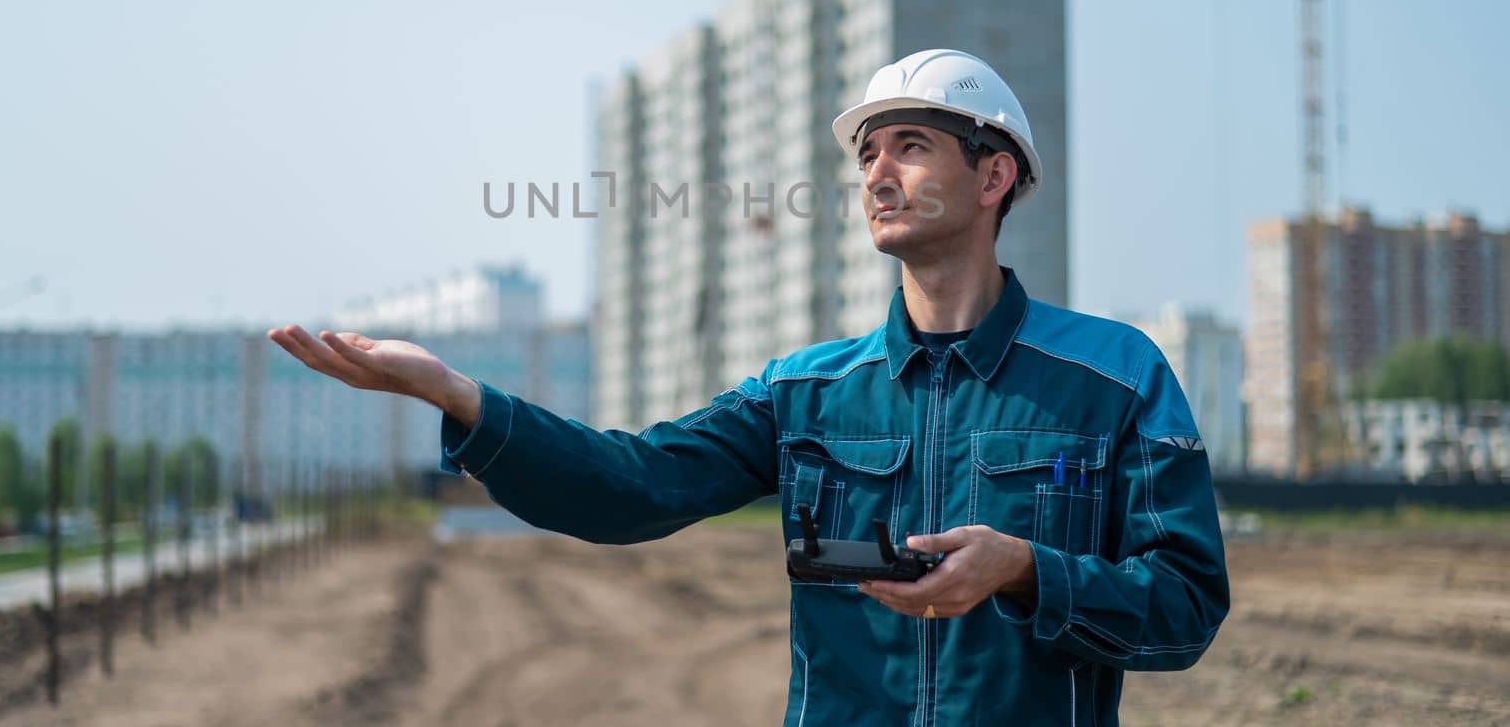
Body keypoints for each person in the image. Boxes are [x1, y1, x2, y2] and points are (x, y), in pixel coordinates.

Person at [268, 48, 1229, 724]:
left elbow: (1184, 608)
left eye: (908, 146)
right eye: (866, 155)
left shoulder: (1115, 378)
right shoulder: (803, 393)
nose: (876, 175)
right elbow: (631, 485)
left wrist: (1023, 568)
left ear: (993, 178)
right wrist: (460, 399)